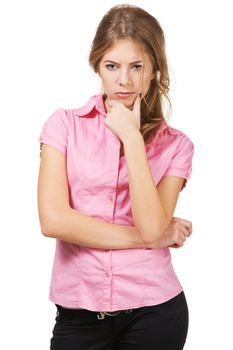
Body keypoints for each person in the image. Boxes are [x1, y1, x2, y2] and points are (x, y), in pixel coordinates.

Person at [37, 4, 194, 350]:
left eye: (136, 66)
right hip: (78, 314)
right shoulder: (63, 126)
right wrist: (149, 239)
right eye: (112, 66)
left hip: (155, 311)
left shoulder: (177, 145)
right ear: (97, 66)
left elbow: (153, 227)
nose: (124, 80)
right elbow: (53, 220)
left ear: (153, 70)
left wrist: (133, 140)